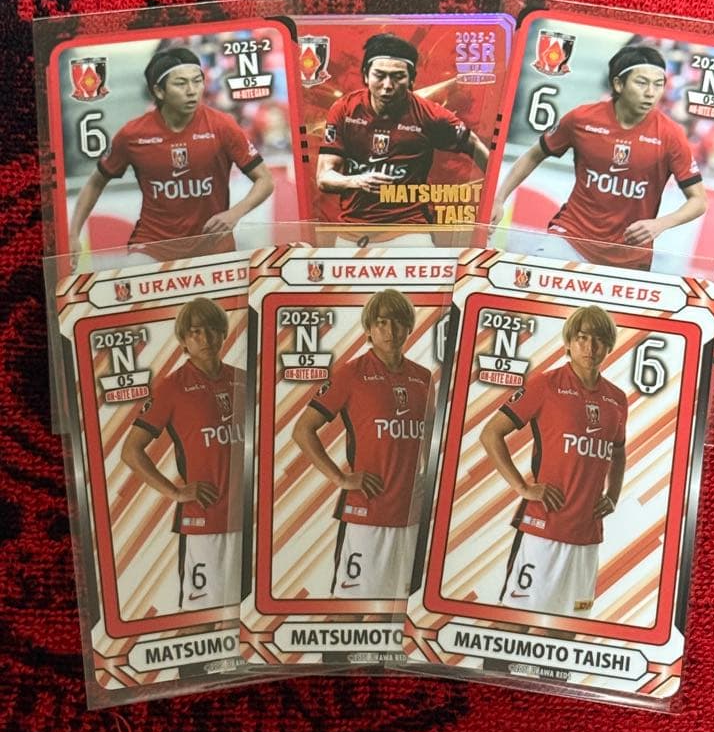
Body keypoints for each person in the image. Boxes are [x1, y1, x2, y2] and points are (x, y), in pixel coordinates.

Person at [491, 45, 707, 269]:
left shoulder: (671, 135)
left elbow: (699, 200)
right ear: (618, 84)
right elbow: (533, 155)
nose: (651, 93)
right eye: (642, 83)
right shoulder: (582, 119)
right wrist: (498, 200)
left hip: (629, 256)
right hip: (571, 238)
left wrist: (660, 224)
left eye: (658, 84)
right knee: (535, 282)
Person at [480, 305, 627, 618]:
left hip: (587, 536)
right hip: (543, 529)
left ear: (609, 346)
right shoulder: (545, 385)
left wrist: (613, 495)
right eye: (582, 338)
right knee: (518, 620)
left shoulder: (617, 399)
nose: (590, 347)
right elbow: (491, 433)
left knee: (571, 624)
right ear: (569, 342)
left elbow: (617, 451)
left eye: (599, 339)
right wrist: (523, 488)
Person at [69, 46, 274, 261]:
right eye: (181, 83)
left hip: (213, 246)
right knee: (133, 274)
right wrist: (74, 234)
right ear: (159, 91)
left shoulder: (222, 126)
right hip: (153, 247)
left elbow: (265, 180)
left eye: (197, 81)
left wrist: (234, 214)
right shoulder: (132, 135)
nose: (192, 90)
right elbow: (95, 183)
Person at [292, 289, 432, 600]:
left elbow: (427, 438)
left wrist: (427, 477)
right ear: (369, 328)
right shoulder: (350, 374)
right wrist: (340, 478)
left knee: (402, 607)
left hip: (411, 514)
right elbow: (302, 430)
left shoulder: (423, 378)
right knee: (354, 607)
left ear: (409, 327)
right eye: (381, 322)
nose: (390, 330)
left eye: (398, 322)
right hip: (367, 512)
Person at [121, 297, 243, 610]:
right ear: (184, 340)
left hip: (249, 519)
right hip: (205, 521)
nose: (205, 338)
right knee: (204, 615)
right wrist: (175, 492)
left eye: (212, 329)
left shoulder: (244, 380)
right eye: (195, 332)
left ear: (223, 332)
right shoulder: (171, 388)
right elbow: (131, 450)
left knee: (247, 617)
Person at [316, 33, 490, 242]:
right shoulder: (344, 110)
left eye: (398, 77)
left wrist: (495, 200)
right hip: (352, 230)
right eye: (379, 75)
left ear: (412, 79)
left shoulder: (430, 115)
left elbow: (476, 146)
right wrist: (356, 181)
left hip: (408, 229)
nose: (387, 85)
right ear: (366, 76)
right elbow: (324, 177)